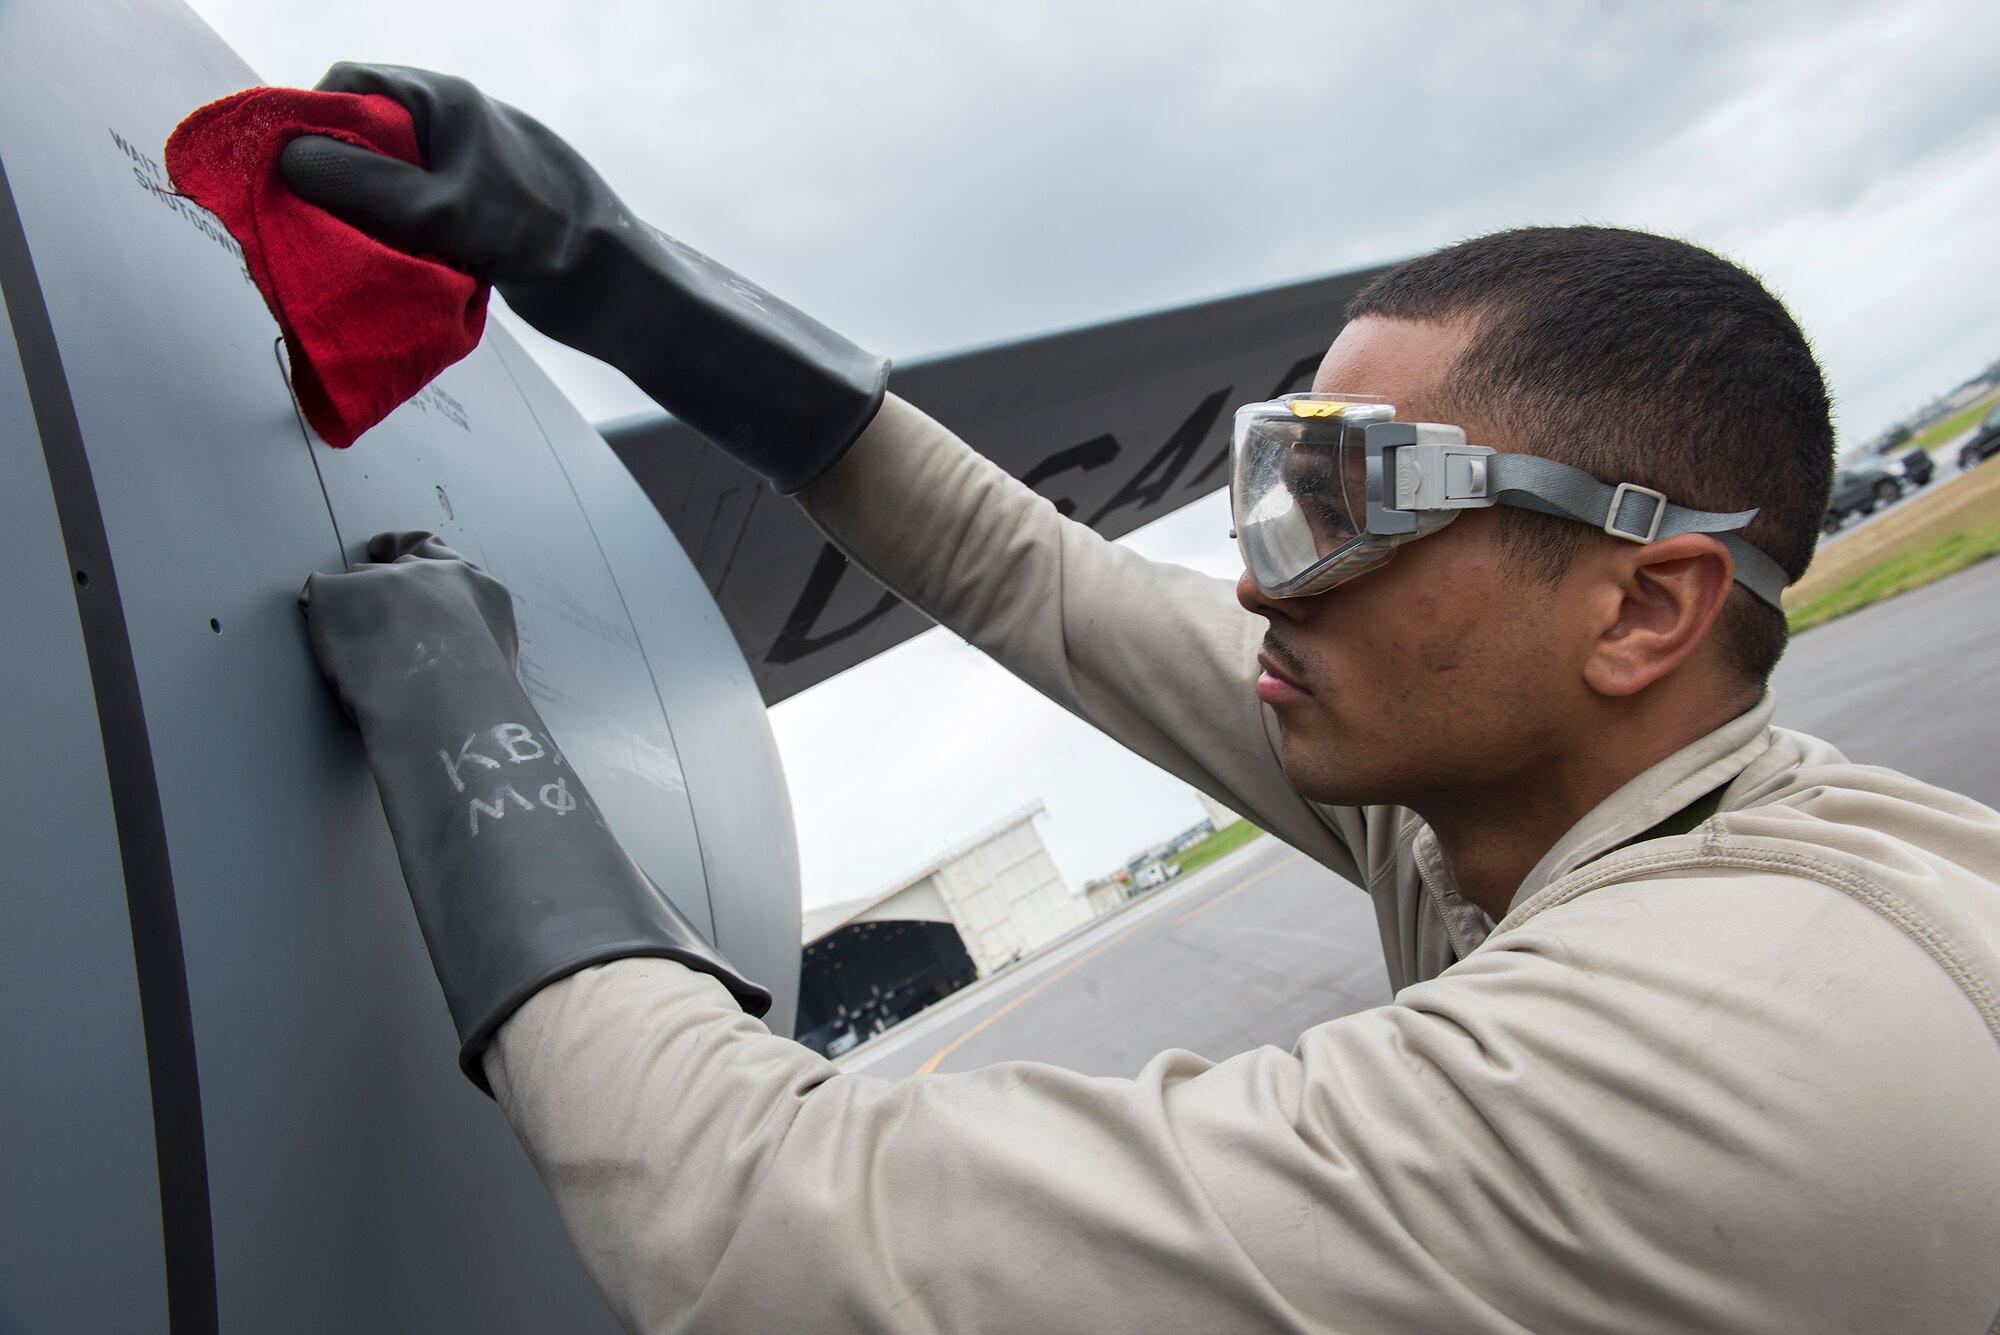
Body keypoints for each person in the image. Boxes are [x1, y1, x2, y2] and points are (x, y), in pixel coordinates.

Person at [292, 66, 2000, 1333]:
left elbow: (776, 1226)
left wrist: (469, 735)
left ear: (1641, 608)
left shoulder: (1695, 1064)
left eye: (1357, 504)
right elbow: (1047, 583)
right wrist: (608, 269)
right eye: (1278, 483)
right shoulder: (1575, 805)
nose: (1263, 575)